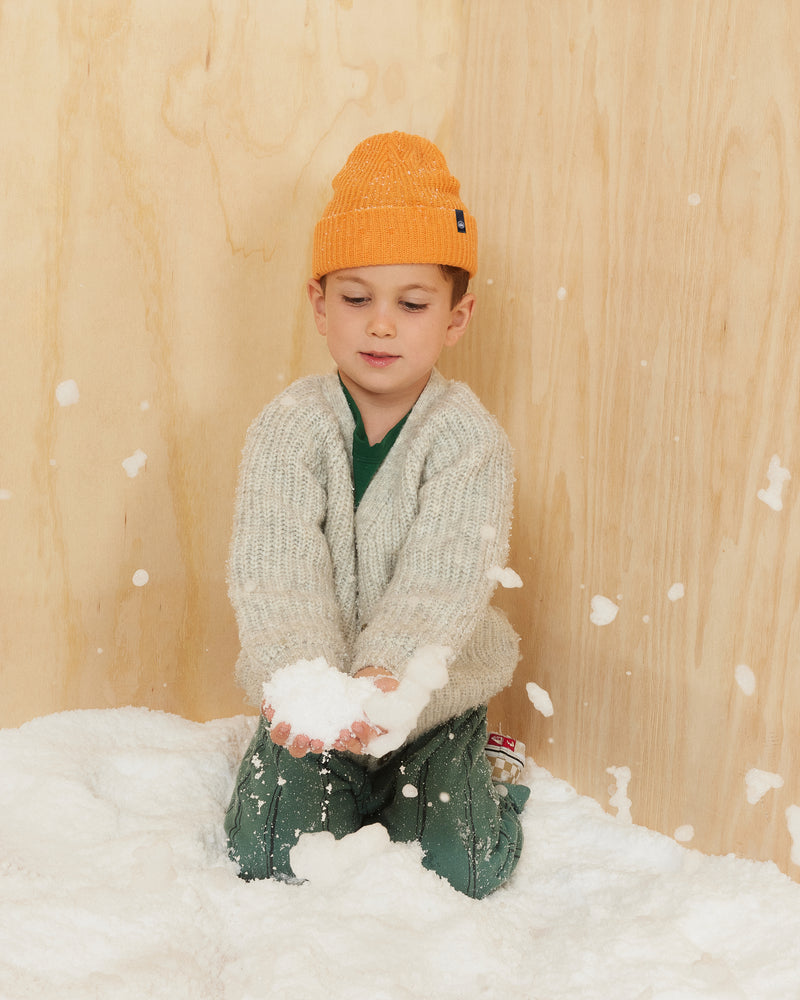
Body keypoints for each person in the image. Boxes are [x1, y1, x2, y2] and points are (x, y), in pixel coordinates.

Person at [224, 131, 529, 898]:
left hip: (426, 698)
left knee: (455, 867)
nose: (381, 325)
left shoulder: (468, 442)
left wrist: (388, 678)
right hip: (317, 702)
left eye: (412, 304)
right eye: (357, 299)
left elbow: (445, 579)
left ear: (456, 318)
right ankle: (332, 782)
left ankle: (492, 776)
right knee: (267, 854)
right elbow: (273, 568)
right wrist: (304, 682)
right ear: (320, 306)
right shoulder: (288, 428)